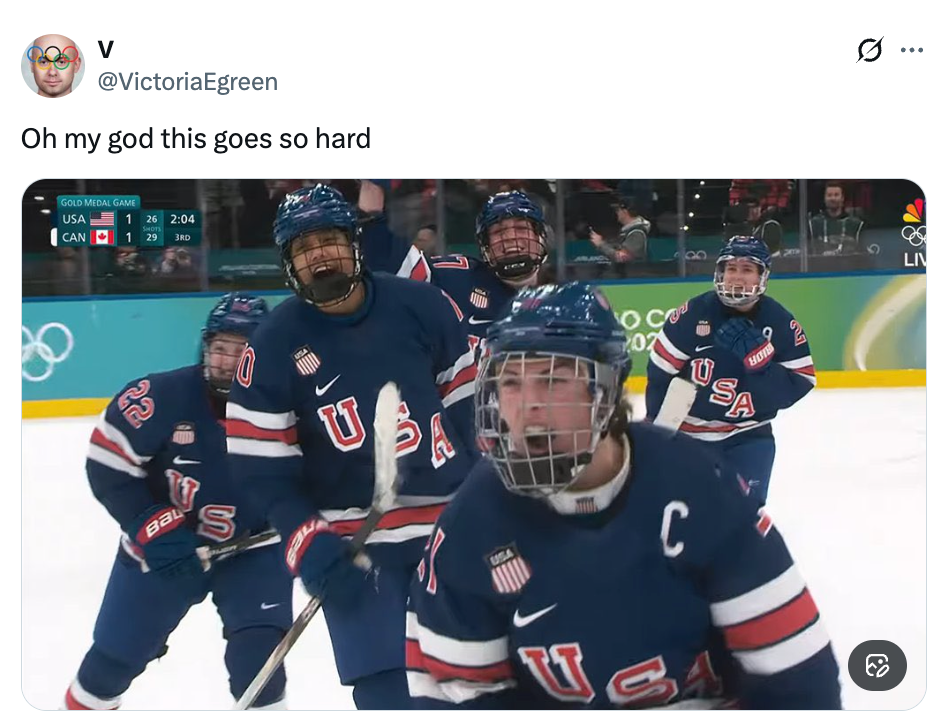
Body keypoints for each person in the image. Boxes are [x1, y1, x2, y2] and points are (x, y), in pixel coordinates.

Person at [406, 282, 842, 709]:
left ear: (606, 389)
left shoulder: (702, 489)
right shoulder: (471, 523)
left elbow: (800, 679)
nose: (527, 406)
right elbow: (453, 699)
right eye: (510, 383)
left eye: (553, 379)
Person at [225, 184, 479, 709]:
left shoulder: (422, 305)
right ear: (288, 262)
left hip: (449, 529)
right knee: (386, 695)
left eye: (327, 240)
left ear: (354, 243)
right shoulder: (271, 346)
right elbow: (264, 473)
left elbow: (472, 412)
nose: (318, 254)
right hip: (354, 541)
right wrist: (305, 541)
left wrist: (487, 504)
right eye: (302, 247)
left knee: (474, 682)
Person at [63, 293, 292, 711]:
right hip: (167, 545)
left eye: (242, 351)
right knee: (111, 664)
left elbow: (333, 471)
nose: (227, 361)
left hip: (256, 548)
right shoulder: (162, 396)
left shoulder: (295, 405)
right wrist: (153, 525)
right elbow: (107, 463)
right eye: (220, 348)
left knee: (259, 666)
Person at [646, 236, 816, 502]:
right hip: (689, 438)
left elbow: (799, 383)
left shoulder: (779, 321)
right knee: (680, 515)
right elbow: (659, 371)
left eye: (747, 269)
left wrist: (762, 367)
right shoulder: (693, 314)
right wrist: (658, 430)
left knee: (744, 518)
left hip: (748, 436)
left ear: (762, 276)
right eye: (731, 268)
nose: (737, 277)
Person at [357, 181, 549, 356]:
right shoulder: (457, 278)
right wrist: (371, 203)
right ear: (485, 246)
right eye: (499, 232)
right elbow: (392, 266)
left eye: (521, 228)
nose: (510, 238)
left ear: (542, 237)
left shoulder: (561, 303)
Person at [807, 181, 865, 256]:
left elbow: (862, 255)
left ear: (842, 198)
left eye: (836, 195)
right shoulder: (813, 224)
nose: (832, 198)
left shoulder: (856, 225)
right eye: (829, 195)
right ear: (824, 198)